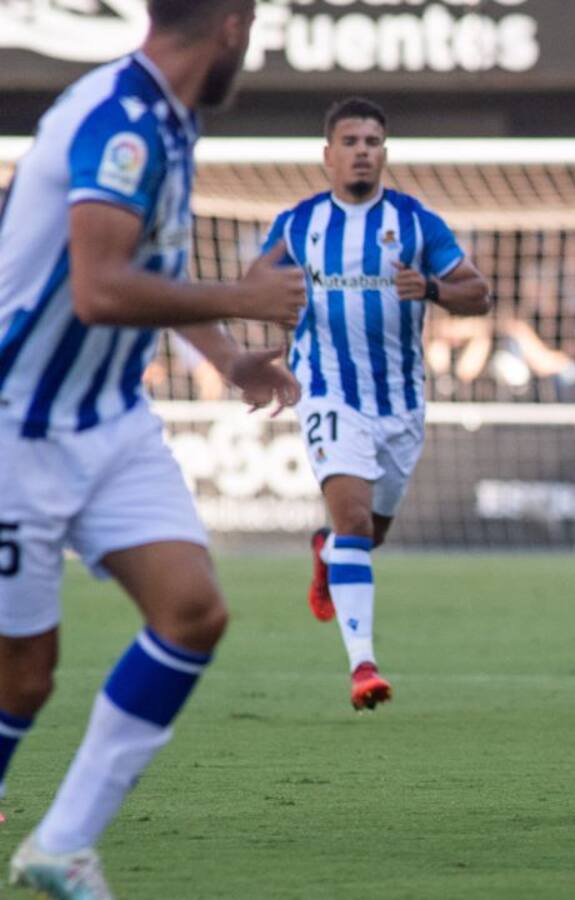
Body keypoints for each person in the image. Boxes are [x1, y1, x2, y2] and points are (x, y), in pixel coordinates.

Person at [0, 2, 307, 896]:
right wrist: (245, 293)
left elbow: (153, 268)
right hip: (19, 423)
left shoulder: (170, 122)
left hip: (109, 417)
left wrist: (225, 354)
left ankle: (60, 846)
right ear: (231, 23)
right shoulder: (121, 120)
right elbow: (99, 290)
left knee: (192, 611)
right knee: (24, 677)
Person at [263, 98, 490, 711]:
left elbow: (479, 294)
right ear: (328, 154)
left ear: (383, 152)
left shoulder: (415, 224)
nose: (362, 149)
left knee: (368, 533)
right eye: (351, 140)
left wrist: (436, 288)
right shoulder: (297, 224)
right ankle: (363, 666)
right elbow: (254, 289)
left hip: (400, 404)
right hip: (328, 393)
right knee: (356, 525)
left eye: (372, 140)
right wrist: (259, 353)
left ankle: (325, 551)